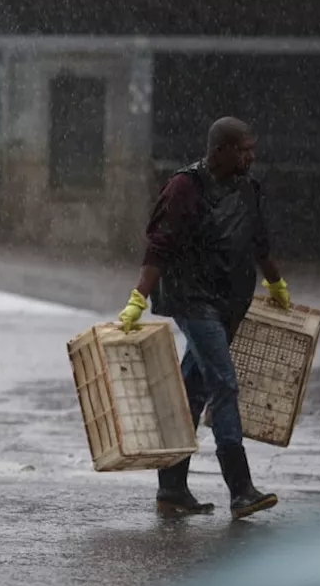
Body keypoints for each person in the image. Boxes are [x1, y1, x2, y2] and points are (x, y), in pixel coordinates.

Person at [118, 116, 289, 520]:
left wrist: (277, 283)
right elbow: (159, 245)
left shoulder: (248, 188)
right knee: (224, 384)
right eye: (243, 149)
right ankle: (241, 488)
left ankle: (172, 489)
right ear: (219, 150)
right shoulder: (184, 188)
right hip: (193, 301)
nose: (251, 156)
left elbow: (259, 240)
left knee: (192, 391)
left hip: (230, 300)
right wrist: (137, 299)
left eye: (252, 148)